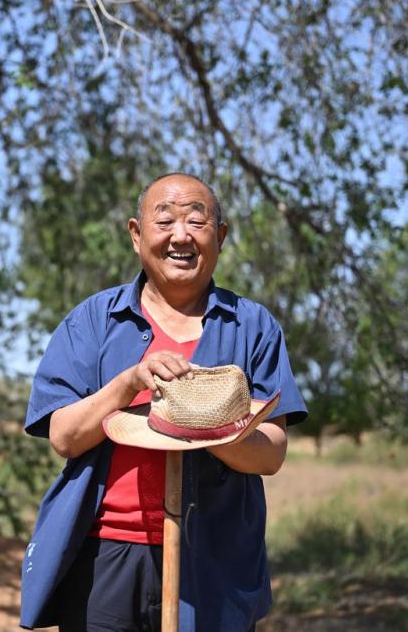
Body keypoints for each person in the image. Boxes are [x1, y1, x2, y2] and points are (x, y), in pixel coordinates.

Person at [19, 173, 308, 631]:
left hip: (214, 561)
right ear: (136, 235)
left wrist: (200, 428)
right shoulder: (93, 322)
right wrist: (128, 383)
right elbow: (65, 437)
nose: (181, 235)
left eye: (197, 221)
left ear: (221, 236)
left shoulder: (253, 327)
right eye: (165, 220)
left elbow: (271, 453)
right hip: (106, 556)